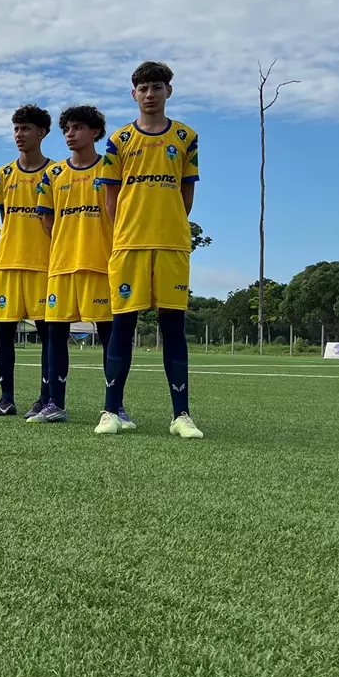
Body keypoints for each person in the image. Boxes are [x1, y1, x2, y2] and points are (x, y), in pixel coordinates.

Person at [96, 61, 203, 438]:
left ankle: (181, 416)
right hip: (129, 244)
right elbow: (110, 198)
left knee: (173, 328)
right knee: (122, 327)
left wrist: (168, 222)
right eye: (143, 88)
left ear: (168, 91)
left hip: (172, 244)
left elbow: (186, 195)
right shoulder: (119, 140)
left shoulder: (187, 137)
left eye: (157, 87)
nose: (150, 94)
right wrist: (128, 229)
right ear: (134, 94)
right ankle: (112, 412)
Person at [35, 105, 119, 425]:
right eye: (67, 129)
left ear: (95, 132)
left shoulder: (110, 169)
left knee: (110, 336)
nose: (70, 134)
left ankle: (115, 406)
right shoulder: (54, 174)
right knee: (56, 335)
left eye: (78, 128)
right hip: (62, 266)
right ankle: (55, 404)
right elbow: (47, 221)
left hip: (102, 265)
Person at [0, 104, 55, 418]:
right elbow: (4, 217)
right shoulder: (3, 174)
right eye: (16, 128)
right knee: (3, 333)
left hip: (43, 265)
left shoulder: (56, 172)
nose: (19, 134)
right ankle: (6, 398)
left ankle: (46, 398)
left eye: (26, 128)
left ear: (41, 133)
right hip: (8, 264)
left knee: (47, 335)